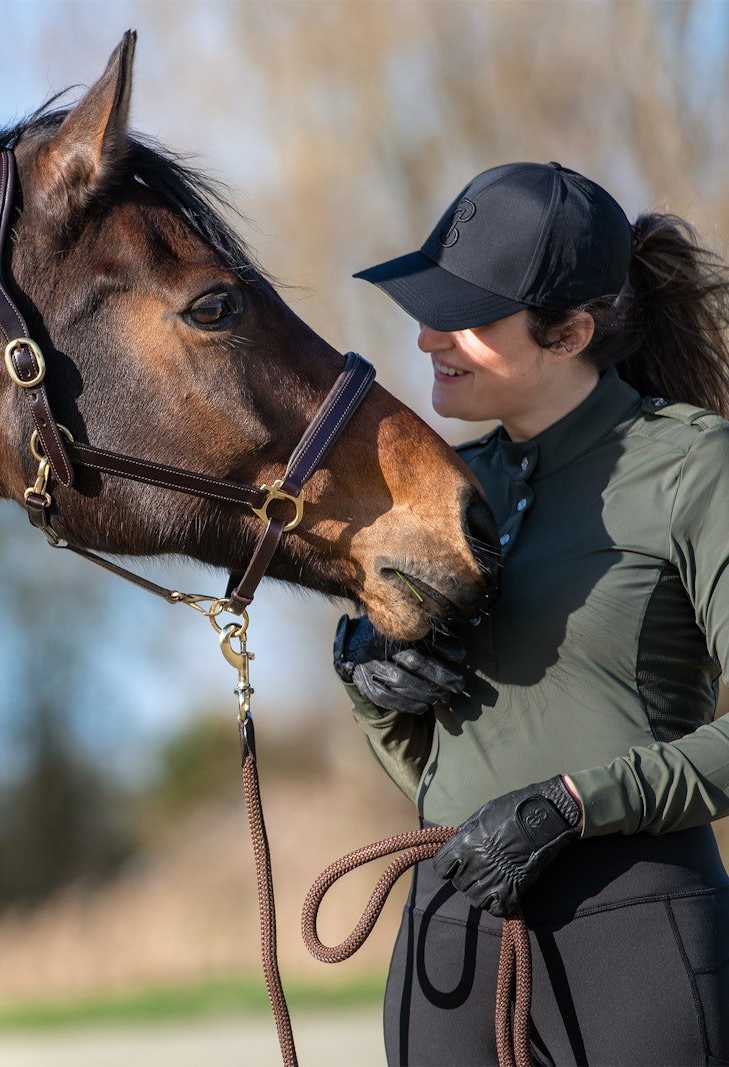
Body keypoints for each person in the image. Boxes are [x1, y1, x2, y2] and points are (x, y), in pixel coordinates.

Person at [333, 161, 729, 1067]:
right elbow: (434, 772)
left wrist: (573, 804)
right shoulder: (440, 494)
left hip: (634, 939)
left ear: (570, 332)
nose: (429, 335)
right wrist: (372, 686)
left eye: (466, 317)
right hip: (445, 938)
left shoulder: (693, 466)